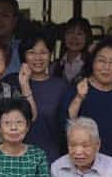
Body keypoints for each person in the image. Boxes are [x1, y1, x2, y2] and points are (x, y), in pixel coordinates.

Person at [60, 38, 112, 173]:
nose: (106, 67)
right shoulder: (77, 90)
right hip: (81, 168)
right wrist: (79, 97)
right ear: (92, 62)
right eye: (101, 61)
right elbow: (65, 125)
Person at [6, 33, 67, 162]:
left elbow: (66, 126)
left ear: (50, 54)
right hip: (15, 159)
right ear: (23, 56)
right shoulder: (11, 82)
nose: (37, 58)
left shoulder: (61, 86)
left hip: (50, 158)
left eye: (43, 52)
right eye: (31, 52)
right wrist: (24, 85)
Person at [52, 16, 93, 84]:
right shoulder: (54, 66)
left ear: (87, 37)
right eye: (70, 32)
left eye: (79, 34)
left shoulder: (92, 65)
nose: (74, 38)